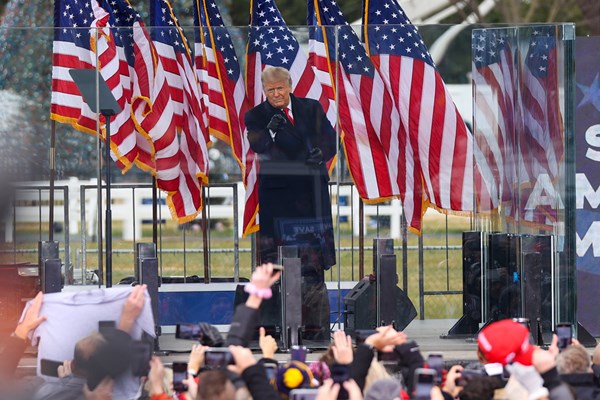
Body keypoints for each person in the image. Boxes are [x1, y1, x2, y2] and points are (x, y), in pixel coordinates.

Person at [244, 66, 337, 339]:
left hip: (312, 197)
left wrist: (322, 153)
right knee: (278, 264)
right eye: (270, 90)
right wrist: (270, 132)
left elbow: (330, 140)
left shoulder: (311, 108)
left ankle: (315, 328)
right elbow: (258, 146)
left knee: (313, 263)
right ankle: (275, 327)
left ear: (289, 85)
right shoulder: (257, 116)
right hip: (280, 202)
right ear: (264, 91)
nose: (275, 94)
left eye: (279, 89)